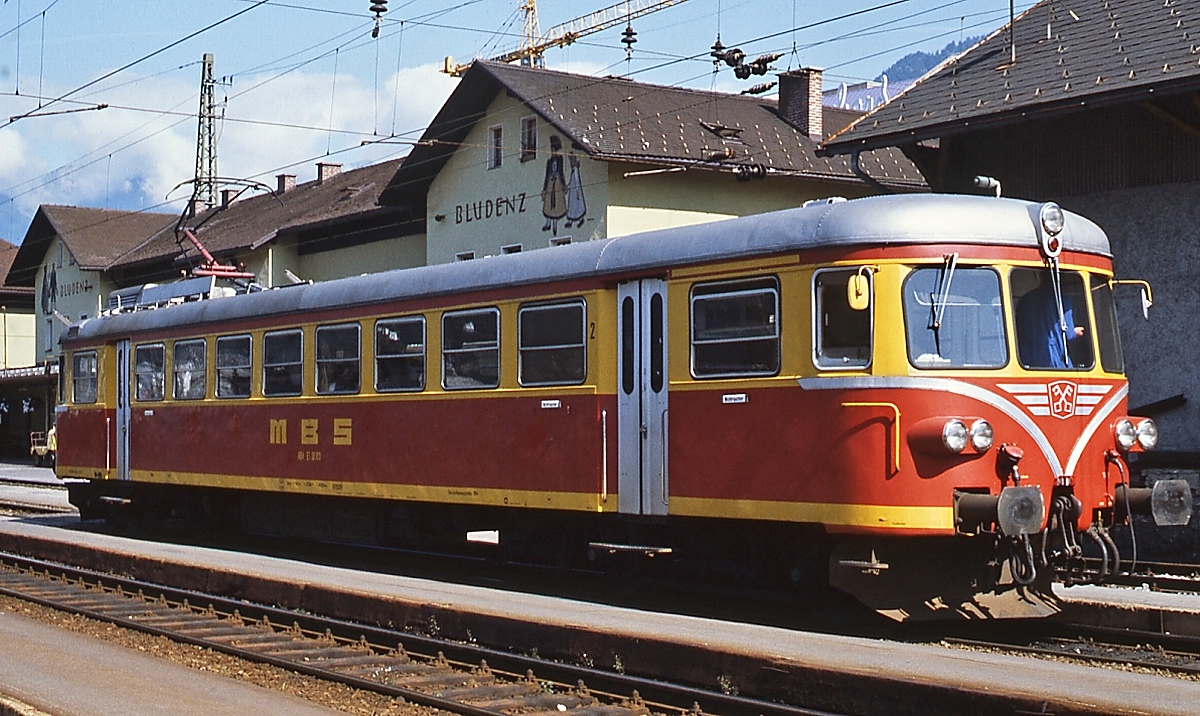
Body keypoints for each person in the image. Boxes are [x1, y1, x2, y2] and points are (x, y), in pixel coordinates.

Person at [1016, 279, 1085, 369]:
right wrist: (1076, 332)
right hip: (1053, 357)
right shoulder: (1063, 300)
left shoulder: (1025, 300)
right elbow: (1068, 334)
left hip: (1027, 358)